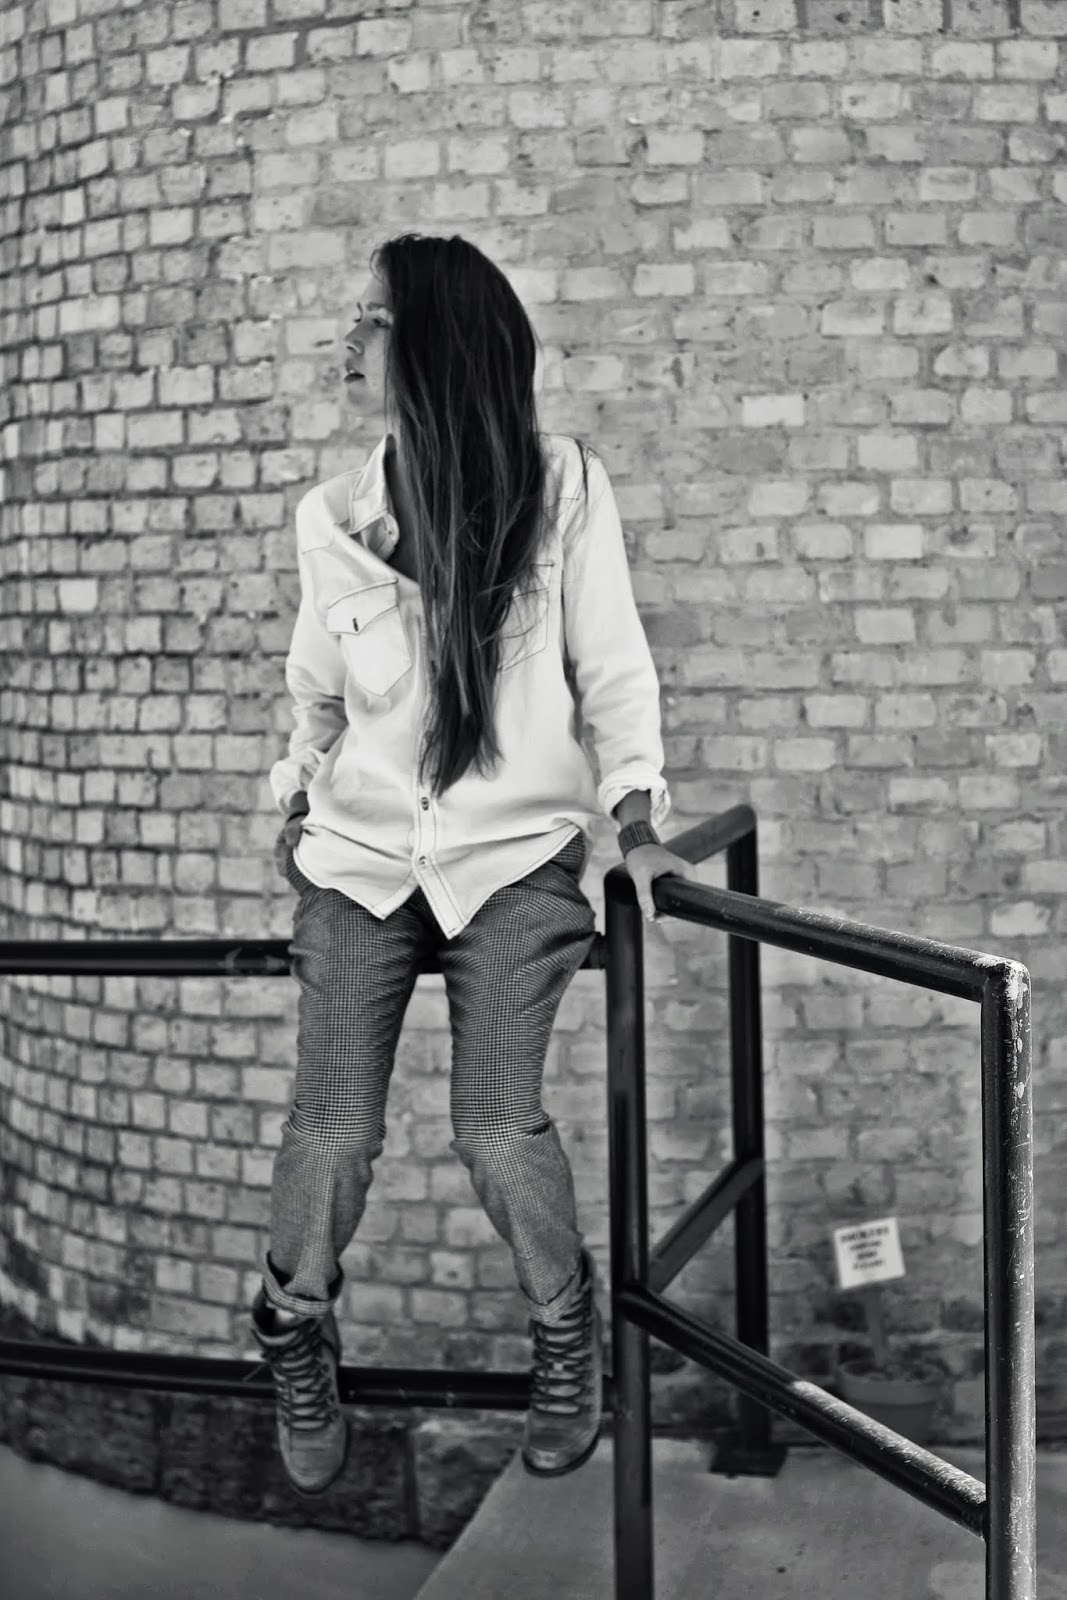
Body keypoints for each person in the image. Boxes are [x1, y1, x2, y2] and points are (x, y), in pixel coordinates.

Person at [249, 233, 699, 1497]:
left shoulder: (562, 493)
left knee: (496, 1129)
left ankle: (564, 1328)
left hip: (513, 864)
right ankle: (292, 1328)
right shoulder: (331, 519)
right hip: (358, 865)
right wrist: (299, 788)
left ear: (437, 343)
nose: (347, 338)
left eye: (371, 318)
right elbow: (315, 694)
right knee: (331, 1133)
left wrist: (638, 827)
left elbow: (612, 669)